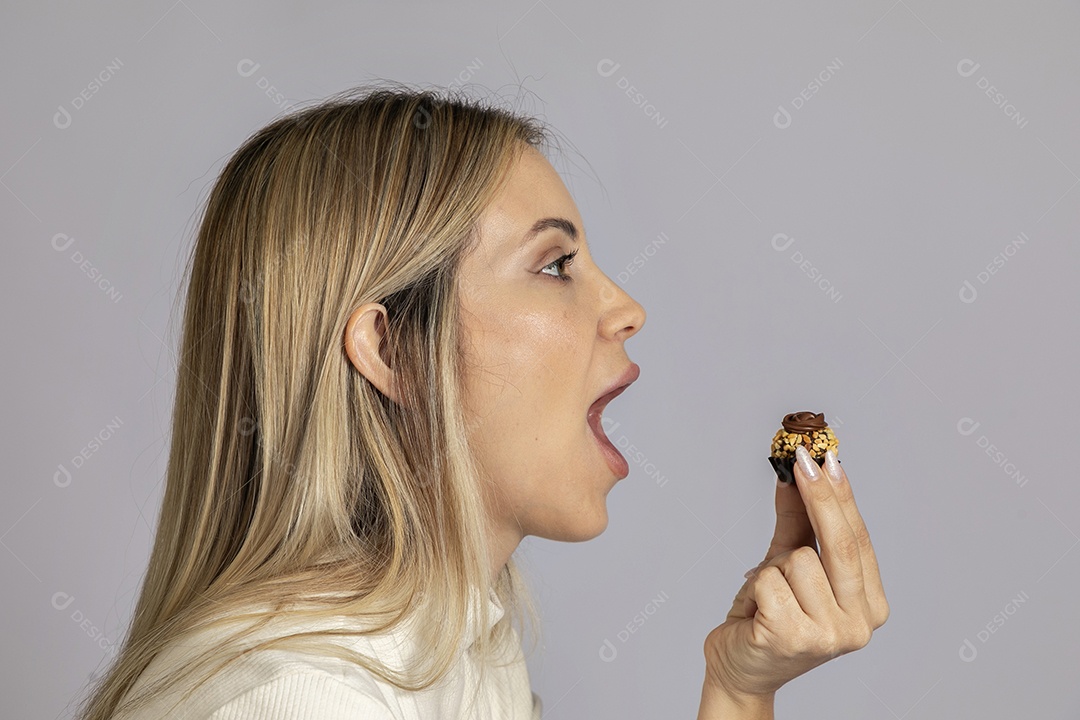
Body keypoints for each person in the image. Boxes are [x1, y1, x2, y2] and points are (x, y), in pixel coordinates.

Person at [75, 84, 888, 720]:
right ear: (393, 351)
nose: (627, 308)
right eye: (554, 265)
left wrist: (741, 687)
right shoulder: (297, 699)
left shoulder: (463, 639)